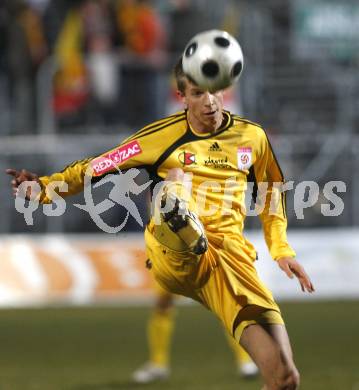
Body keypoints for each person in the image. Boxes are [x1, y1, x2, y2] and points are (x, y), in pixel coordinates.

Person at [7, 55, 314, 389]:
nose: (209, 101)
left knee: (285, 377)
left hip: (230, 262)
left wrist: (281, 249)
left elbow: (272, 191)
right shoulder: (161, 137)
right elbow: (98, 167)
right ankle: (178, 215)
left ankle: (182, 218)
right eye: (197, 93)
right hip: (174, 252)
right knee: (174, 182)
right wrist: (44, 189)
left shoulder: (252, 137)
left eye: (213, 91)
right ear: (182, 97)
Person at [132, 278, 258, 384]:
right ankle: (158, 364)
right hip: (172, 255)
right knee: (163, 303)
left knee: (224, 304)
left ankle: (245, 361)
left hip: (207, 255)